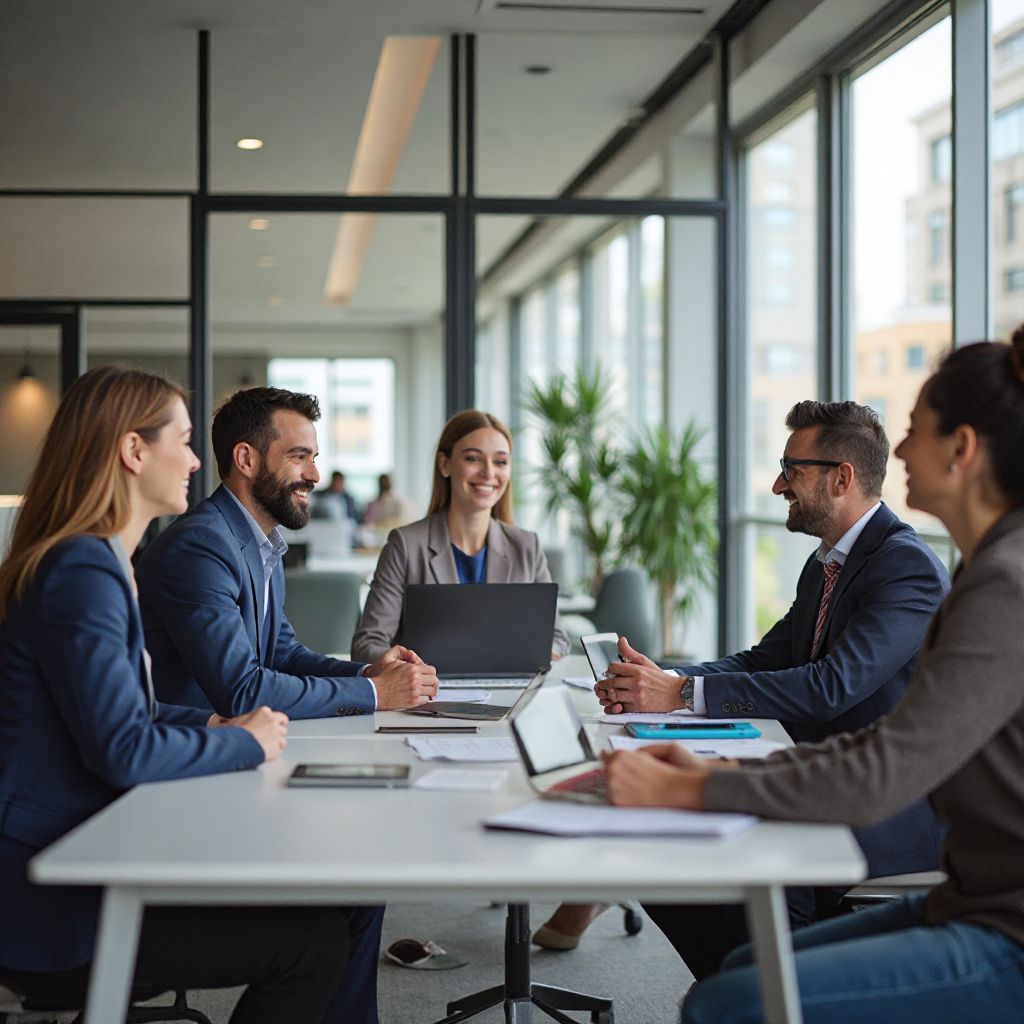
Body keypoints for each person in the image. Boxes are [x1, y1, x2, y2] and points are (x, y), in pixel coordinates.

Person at [604, 333, 1024, 1023]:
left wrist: (694, 785)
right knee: (743, 966)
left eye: (916, 431)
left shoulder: (986, 581)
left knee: (729, 1000)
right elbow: (839, 706)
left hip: (1003, 922)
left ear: (963, 448)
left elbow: (869, 738)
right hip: (973, 894)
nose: (899, 452)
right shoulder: (981, 570)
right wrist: (678, 695)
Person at [0, 366, 369, 1024]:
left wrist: (212, 719)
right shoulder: (84, 568)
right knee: (310, 946)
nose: (199, 461)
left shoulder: (97, 560)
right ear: (133, 451)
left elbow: (124, 711)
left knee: (339, 899)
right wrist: (237, 739)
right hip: (54, 901)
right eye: (187, 439)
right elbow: (124, 748)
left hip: (94, 846)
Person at [536, 400, 949, 967]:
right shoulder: (827, 562)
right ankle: (746, 987)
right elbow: (764, 659)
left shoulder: (907, 567)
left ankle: (769, 984)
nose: (779, 484)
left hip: (876, 801)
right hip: (805, 771)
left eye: (791, 469)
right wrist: (666, 679)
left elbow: (831, 687)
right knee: (652, 849)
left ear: (841, 478)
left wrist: (679, 695)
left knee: (733, 860)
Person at [137, 386, 438, 721]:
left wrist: (367, 676)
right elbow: (242, 690)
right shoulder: (199, 547)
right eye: (298, 457)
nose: (314, 475)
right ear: (246, 459)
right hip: (191, 753)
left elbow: (283, 655)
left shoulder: (262, 542)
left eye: (314, 459)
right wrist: (378, 693)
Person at [351, 410, 570, 663]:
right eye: (473, 459)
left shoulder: (526, 546)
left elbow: (557, 637)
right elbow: (367, 643)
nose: (489, 473)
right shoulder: (406, 545)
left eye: (500, 462)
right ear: (445, 464)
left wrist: (541, 656)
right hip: (428, 695)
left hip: (514, 693)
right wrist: (408, 669)